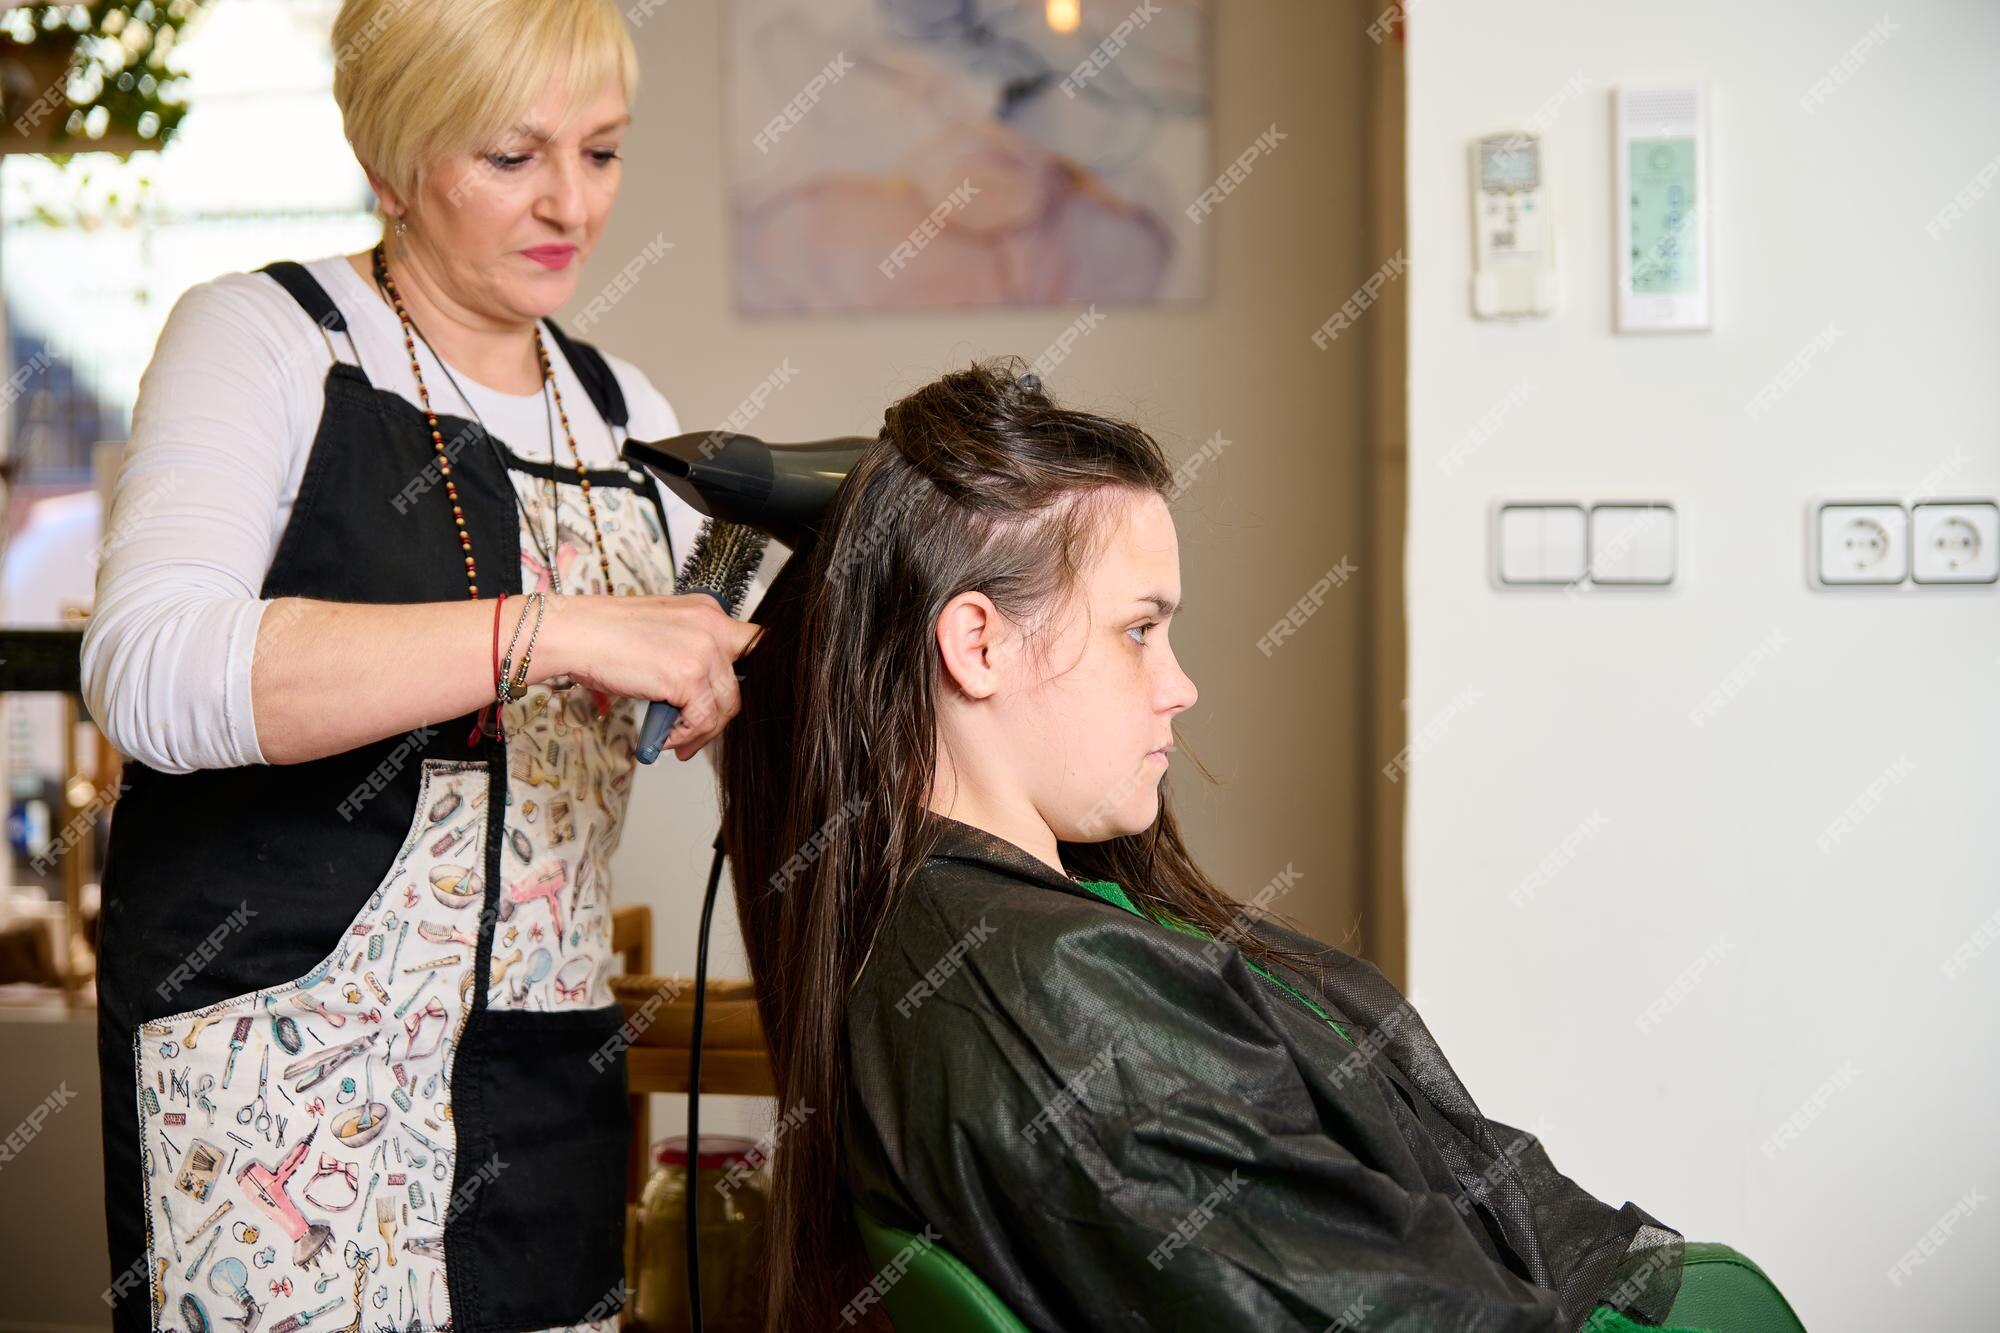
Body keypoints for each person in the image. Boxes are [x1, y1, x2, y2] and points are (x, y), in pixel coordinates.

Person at [717, 358, 1689, 1332]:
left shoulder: (1005, 938)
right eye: (1138, 630)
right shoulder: (1046, 995)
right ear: (977, 645)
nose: (1178, 686)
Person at [81, 3, 761, 1331]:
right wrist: (547, 628)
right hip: (275, 1095)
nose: (571, 201)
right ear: (388, 162)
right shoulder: (266, 340)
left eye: (604, 152)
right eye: (513, 157)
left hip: (538, 1089)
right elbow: (149, 669)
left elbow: (718, 686)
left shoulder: (632, 417)